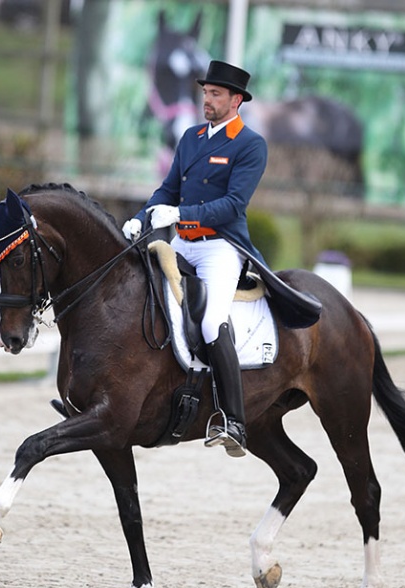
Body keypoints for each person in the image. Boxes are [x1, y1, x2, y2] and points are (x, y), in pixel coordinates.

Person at [123, 60, 268, 458]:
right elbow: (167, 189)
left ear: (236, 100)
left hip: (220, 247)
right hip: (183, 242)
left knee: (209, 319)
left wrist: (182, 215)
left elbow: (234, 204)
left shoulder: (250, 144)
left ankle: (233, 421)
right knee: (140, 294)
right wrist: (141, 219)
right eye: (205, 92)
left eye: (216, 94)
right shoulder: (190, 137)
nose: (207, 99)